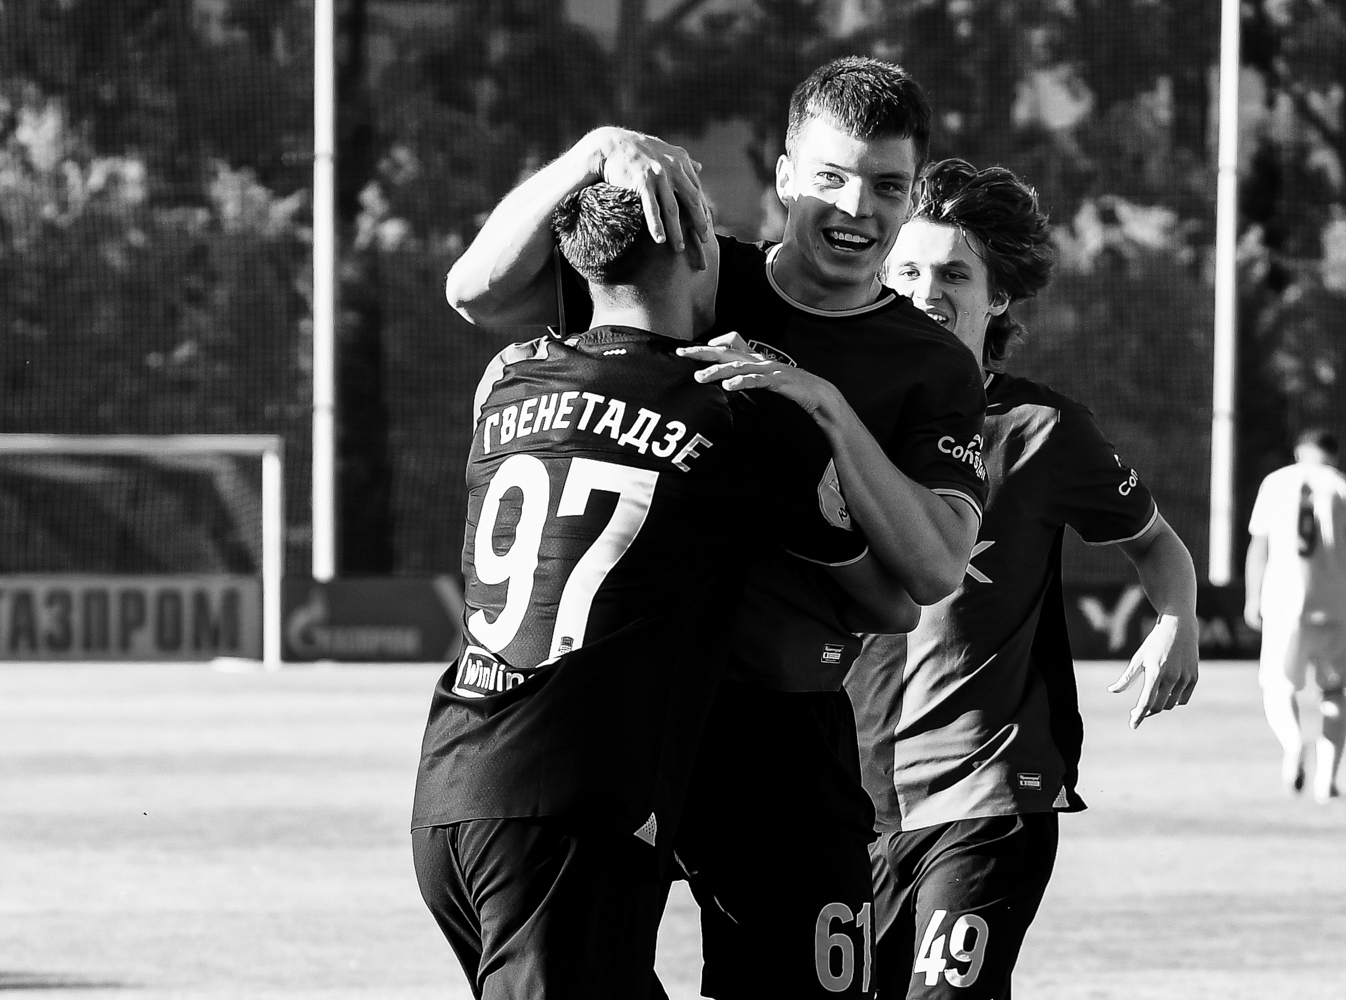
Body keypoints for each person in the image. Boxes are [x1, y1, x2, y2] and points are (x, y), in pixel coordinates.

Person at [445, 58, 988, 999]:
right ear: (783, 175)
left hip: (784, 726)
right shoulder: (693, 273)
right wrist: (591, 152)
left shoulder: (932, 363)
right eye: (831, 177)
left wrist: (824, 408)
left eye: (887, 186)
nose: (856, 208)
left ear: (910, 196)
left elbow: (935, 568)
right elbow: (476, 293)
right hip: (630, 718)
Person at [839, 159, 1200, 1000]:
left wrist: (1176, 619)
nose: (927, 291)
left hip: (987, 793)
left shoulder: (1042, 429)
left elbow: (1155, 542)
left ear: (997, 294)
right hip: (848, 804)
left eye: (953, 274)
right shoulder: (833, 415)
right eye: (907, 270)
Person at [1244, 427, 1346, 803]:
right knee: (1334, 690)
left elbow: (1258, 547)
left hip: (1283, 601)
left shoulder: (1275, 483)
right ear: (1334, 454)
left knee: (1278, 686)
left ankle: (1293, 747)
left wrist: (1252, 597)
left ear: (1299, 452)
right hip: (1334, 601)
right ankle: (1326, 782)